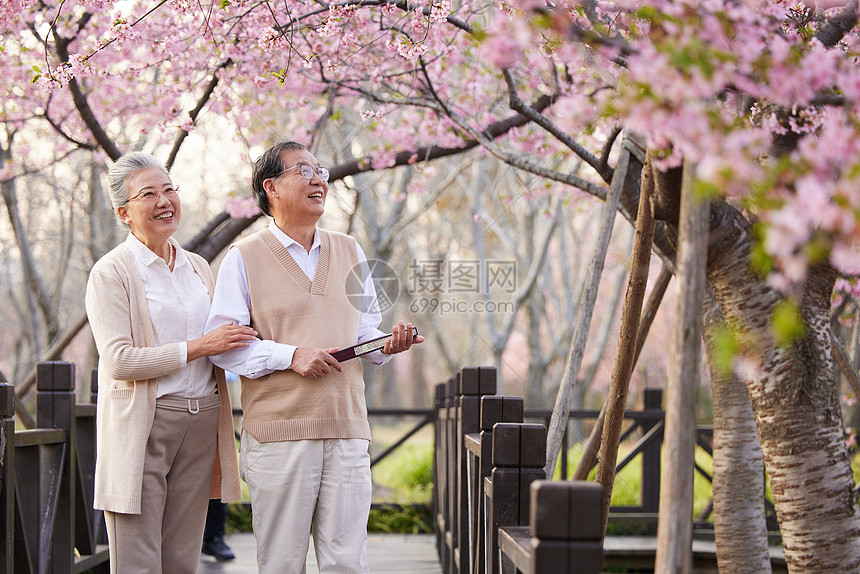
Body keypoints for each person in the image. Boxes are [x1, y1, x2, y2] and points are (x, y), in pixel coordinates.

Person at [205, 140, 423, 574]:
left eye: (320, 170)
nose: (319, 178)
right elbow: (224, 345)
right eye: (303, 170)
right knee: (283, 564)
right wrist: (291, 356)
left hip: (347, 428)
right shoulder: (243, 258)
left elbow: (364, 332)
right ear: (271, 187)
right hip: (279, 435)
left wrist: (387, 344)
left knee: (347, 562)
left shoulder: (349, 249)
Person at [85, 151, 258, 573]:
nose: (164, 201)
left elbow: (226, 337)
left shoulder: (198, 266)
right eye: (149, 194)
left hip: (203, 421)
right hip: (144, 424)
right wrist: (199, 346)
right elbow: (120, 361)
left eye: (169, 190)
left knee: (182, 558)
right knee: (137, 559)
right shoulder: (112, 272)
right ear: (124, 213)